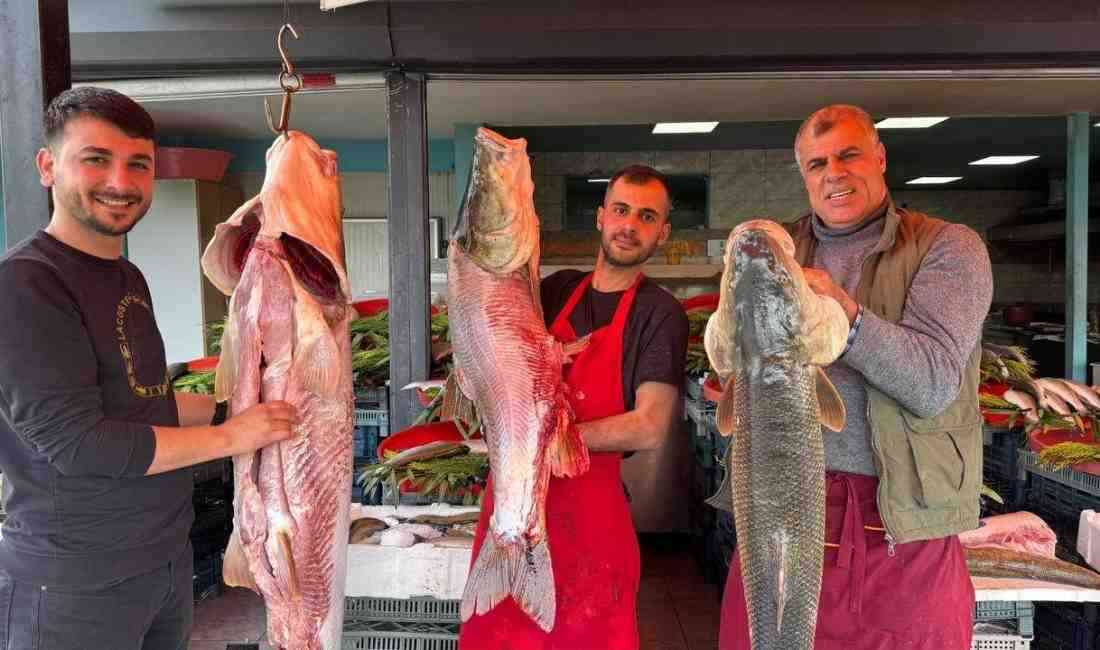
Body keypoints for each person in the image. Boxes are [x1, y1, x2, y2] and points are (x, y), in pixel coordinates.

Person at [0, 87, 295, 649]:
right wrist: (233, 435)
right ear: (47, 166)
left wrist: (236, 406)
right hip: (74, 584)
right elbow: (83, 444)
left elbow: (141, 399)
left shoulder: (125, 278)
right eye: (96, 159)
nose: (121, 181)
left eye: (139, 165)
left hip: (160, 562)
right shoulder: (26, 284)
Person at [717, 104, 992, 650]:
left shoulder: (948, 247)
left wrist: (847, 312)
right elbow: (732, 361)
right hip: (775, 508)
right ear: (804, 175)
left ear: (880, 157)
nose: (833, 174)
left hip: (898, 529)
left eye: (848, 155)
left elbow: (933, 383)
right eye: (817, 164)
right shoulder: (781, 250)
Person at [458, 165, 690, 649]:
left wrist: (538, 440)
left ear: (662, 232)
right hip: (511, 505)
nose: (630, 225)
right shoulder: (557, 290)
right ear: (601, 216)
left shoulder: (660, 313)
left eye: (647, 217)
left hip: (592, 523)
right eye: (621, 210)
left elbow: (649, 427)